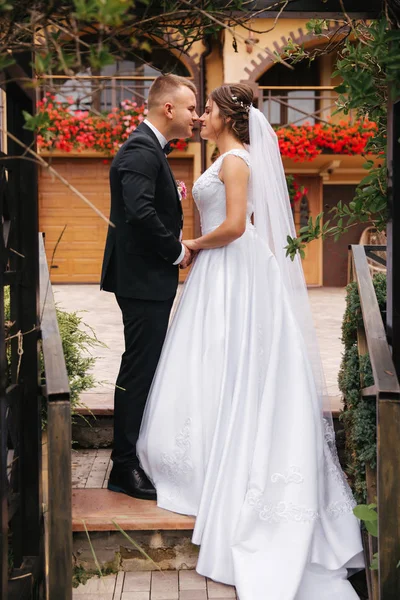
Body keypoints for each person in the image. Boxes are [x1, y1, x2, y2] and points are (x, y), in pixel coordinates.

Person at [137, 84, 364, 599]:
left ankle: (226, 466)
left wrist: (191, 244)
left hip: (232, 269)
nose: (201, 117)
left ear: (229, 117)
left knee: (231, 358)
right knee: (211, 361)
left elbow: (237, 226)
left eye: (208, 109)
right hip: (218, 274)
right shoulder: (223, 160)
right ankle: (205, 457)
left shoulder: (236, 161)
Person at [100, 74, 199, 500]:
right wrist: (175, 251)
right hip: (142, 280)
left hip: (145, 280)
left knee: (143, 367)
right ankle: (123, 466)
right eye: (192, 107)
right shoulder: (141, 150)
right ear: (169, 109)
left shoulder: (148, 148)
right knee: (138, 371)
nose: (196, 115)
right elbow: (139, 211)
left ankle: (132, 455)